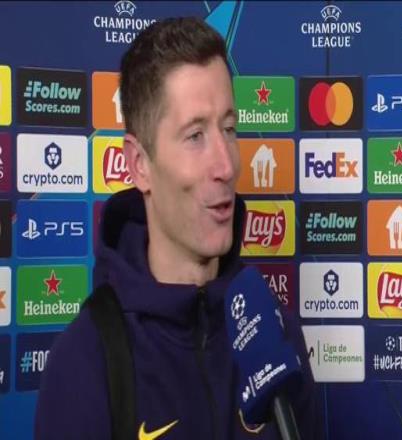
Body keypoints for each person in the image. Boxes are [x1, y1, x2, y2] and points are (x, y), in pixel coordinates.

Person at [35, 17, 323, 440]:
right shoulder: (86, 361)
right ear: (139, 165)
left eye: (229, 128)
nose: (226, 165)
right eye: (195, 136)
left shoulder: (276, 337)